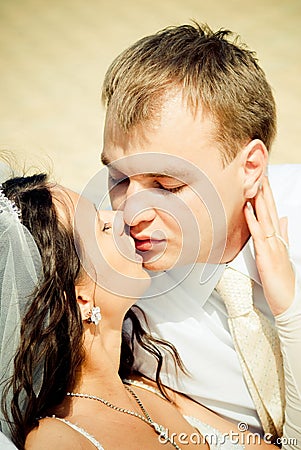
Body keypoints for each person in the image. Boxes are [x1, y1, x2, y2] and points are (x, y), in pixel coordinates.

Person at [101, 22, 301, 441]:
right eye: (118, 178)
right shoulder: (126, 306)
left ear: (250, 168)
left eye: (166, 185)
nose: (130, 212)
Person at [0, 173, 300, 450]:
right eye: (102, 227)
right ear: (81, 301)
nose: (121, 217)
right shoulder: (58, 439)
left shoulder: (154, 389)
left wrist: (288, 308)